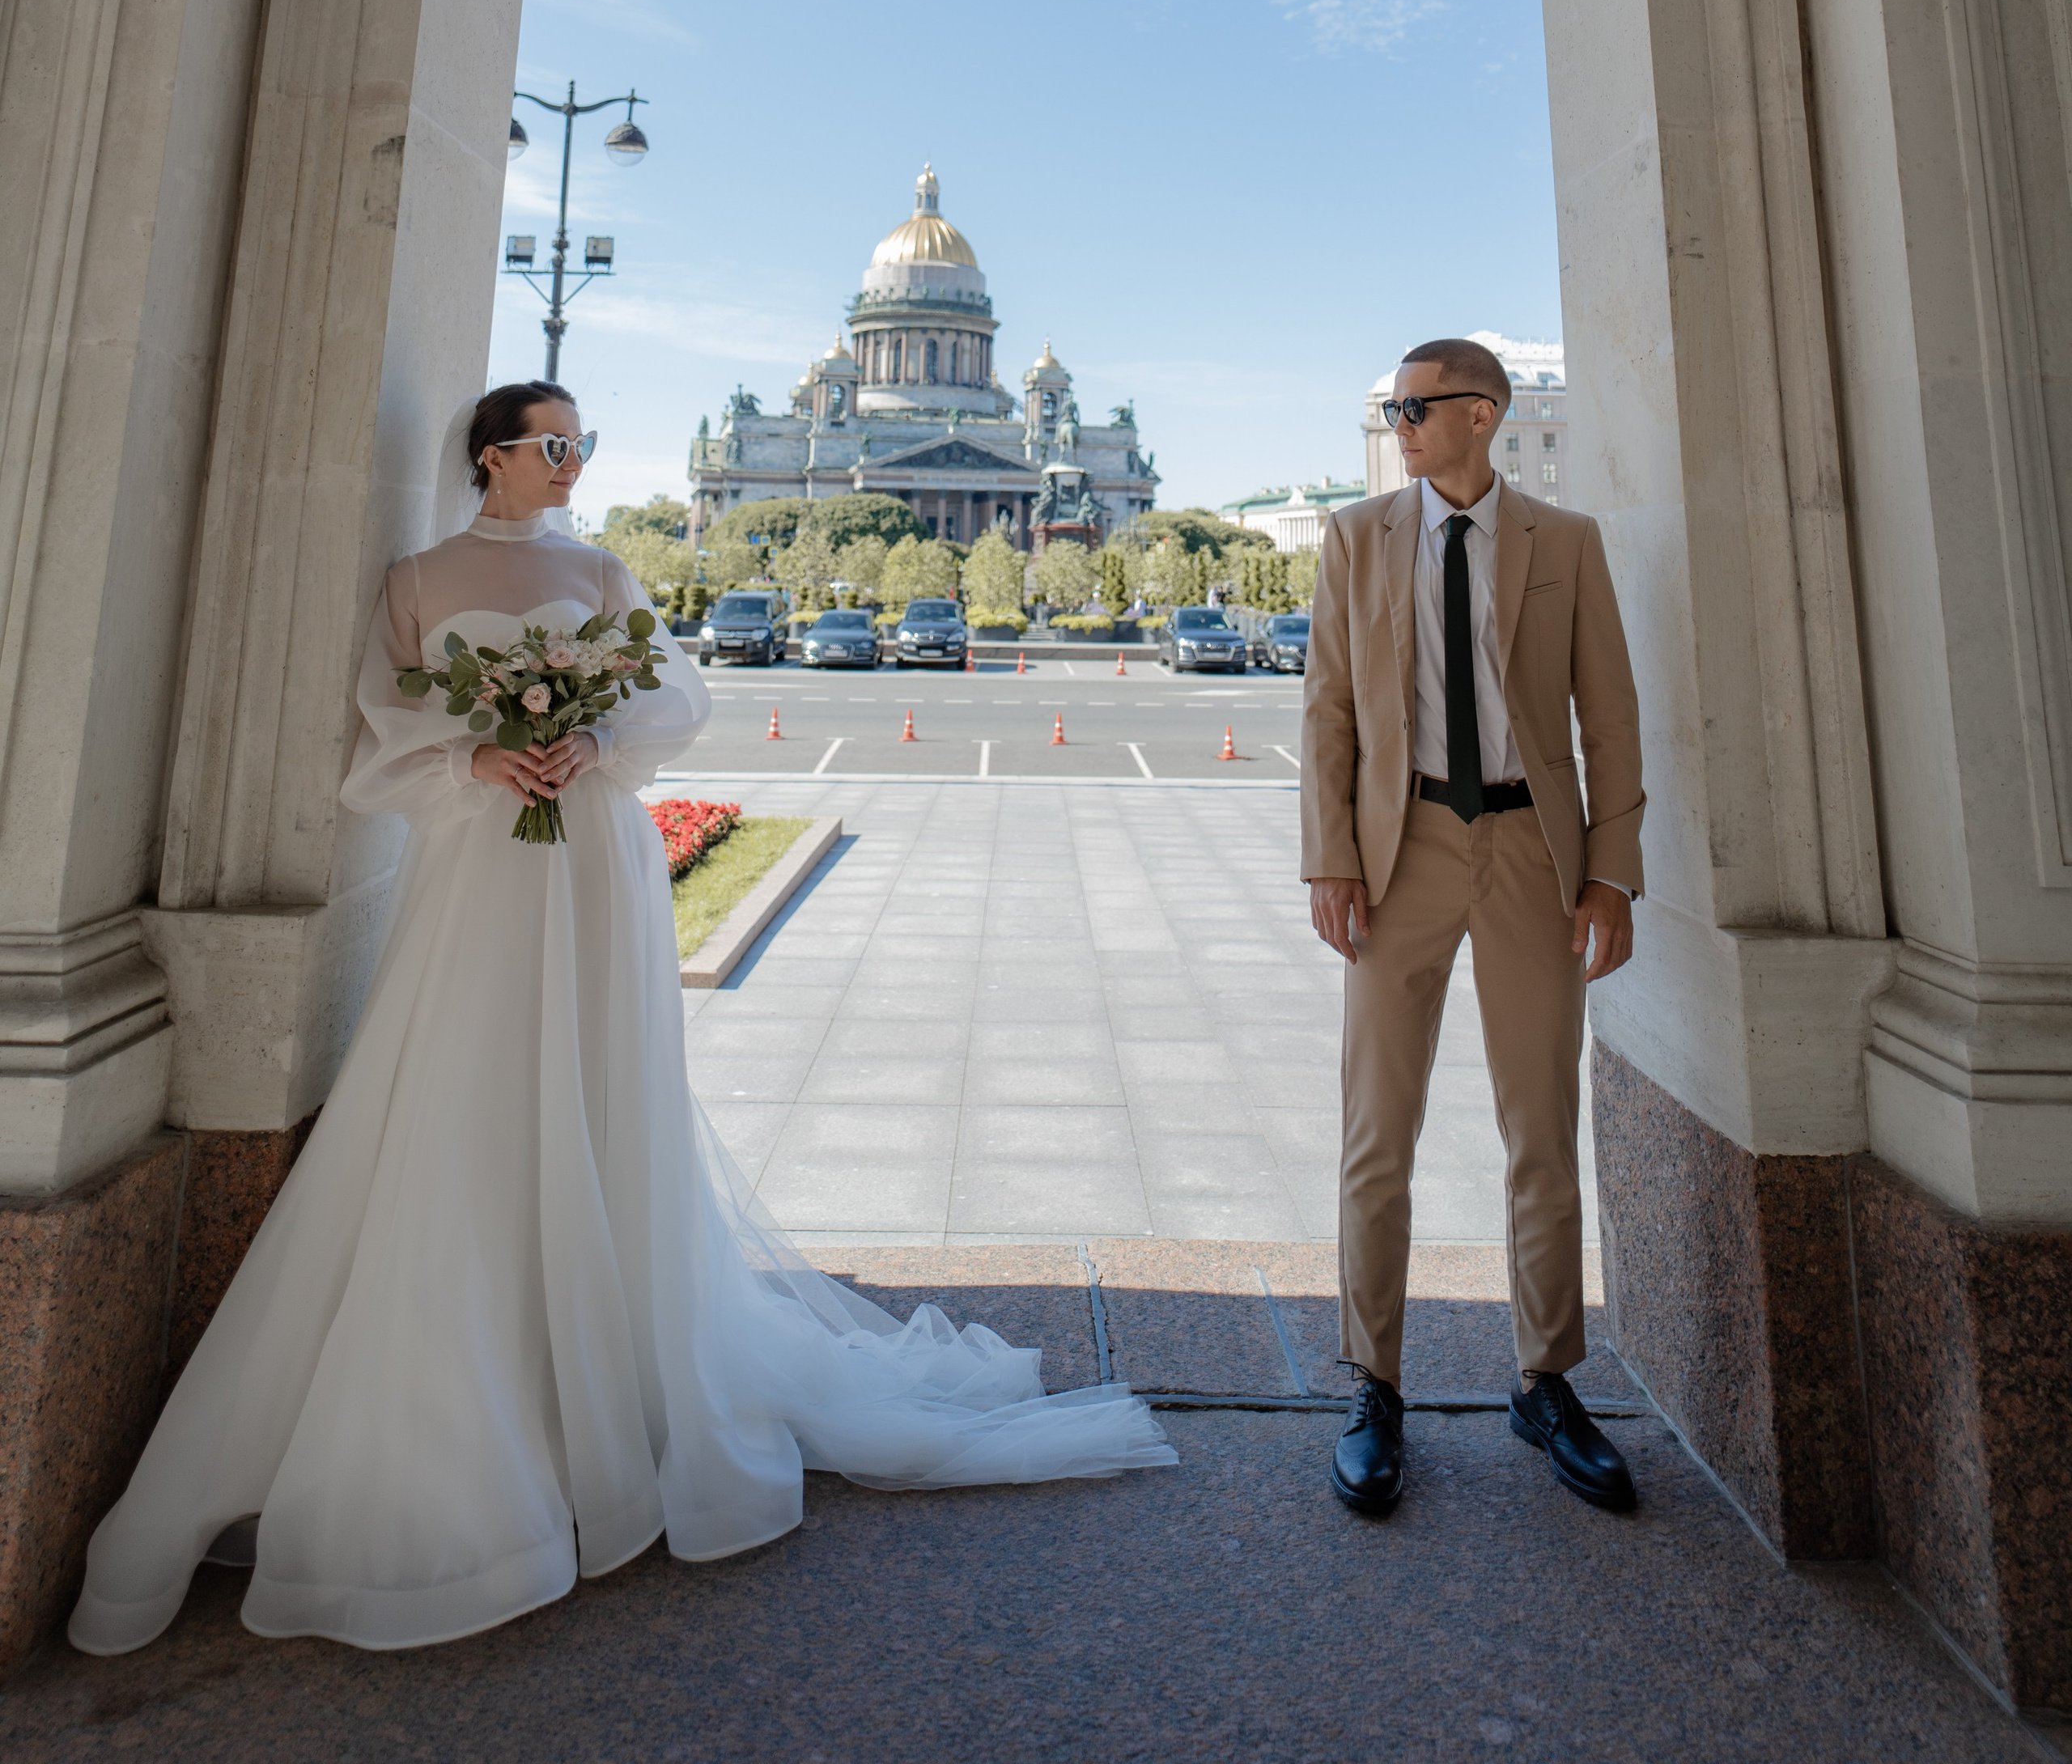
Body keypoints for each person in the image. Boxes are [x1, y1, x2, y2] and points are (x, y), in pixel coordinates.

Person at [71, 383, 1171, 1656]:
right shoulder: (414, 581)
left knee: (602, 1084)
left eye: (583, 443)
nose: (576, 461)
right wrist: (479, 755)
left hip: (592, 851)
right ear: (494, 456)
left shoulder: (600, 570)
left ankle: (606, 1362)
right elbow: (384, 731)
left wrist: (589, 744)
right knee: (465, 1081)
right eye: (557, 444)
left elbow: (674, 701)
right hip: (480, 859)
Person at [1301, 337, 1644, 1520]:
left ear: (1483, 413)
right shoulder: (1356, 536)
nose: (1398, 424)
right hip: (1400, 855)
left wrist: (1612, 875)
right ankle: (1373, 1385)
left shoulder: (1567, 542)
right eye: (1392, 409)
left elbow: (1610, 716)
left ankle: (1545, 1382)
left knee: (1541, 1124)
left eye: (1416, 407)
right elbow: (1329, 709)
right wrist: (1331, 859)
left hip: (1532, 853)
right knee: (1376, 1129)